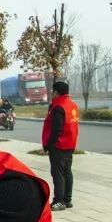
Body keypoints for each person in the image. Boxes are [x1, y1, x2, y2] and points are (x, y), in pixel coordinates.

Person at [42, 80, 79, 211]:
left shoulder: (58, 107)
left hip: (59, 145)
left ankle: (59, 201)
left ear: (56, 92)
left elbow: (56, 129)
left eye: (53, 91)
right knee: (67, 172)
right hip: (70, 144)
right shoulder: (73, 105)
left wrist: (49, 145)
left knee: (58, 174)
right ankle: (67, 200)